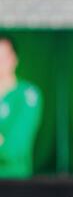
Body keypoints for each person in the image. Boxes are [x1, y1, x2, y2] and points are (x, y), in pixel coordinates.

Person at [0, 37, 42, 178]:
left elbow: (13, 149)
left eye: (4, 57)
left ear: (14, 59)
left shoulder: (28, 94)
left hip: (15, 183)